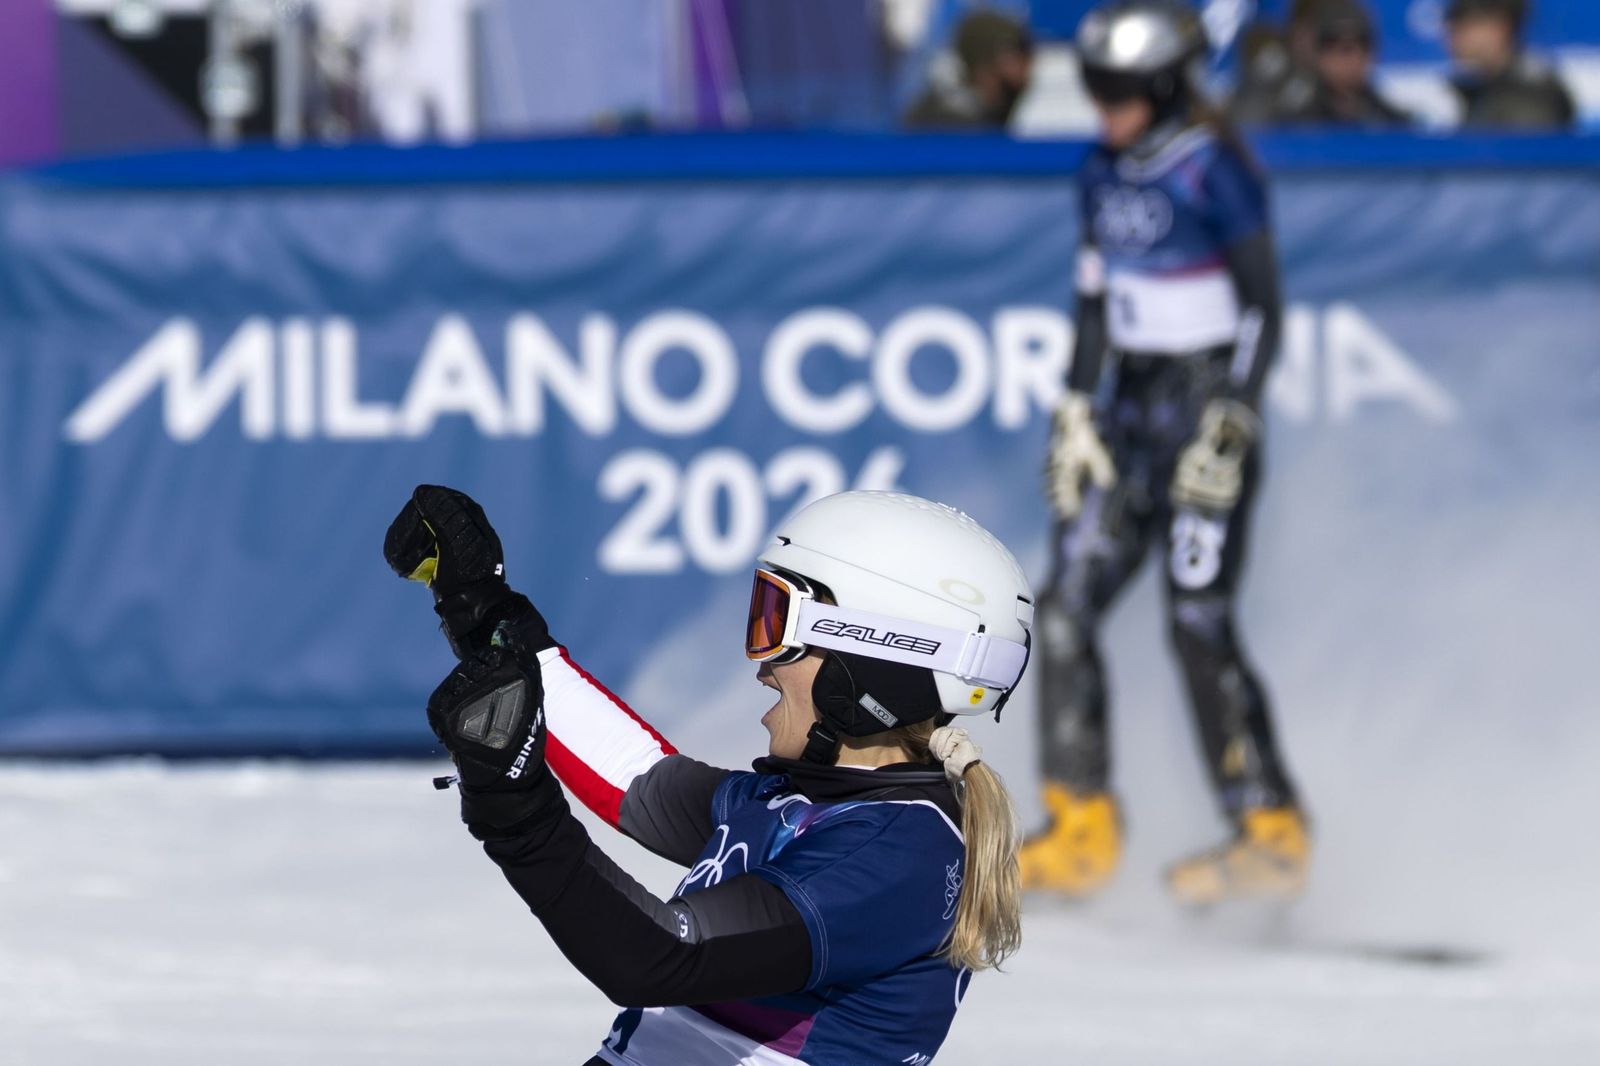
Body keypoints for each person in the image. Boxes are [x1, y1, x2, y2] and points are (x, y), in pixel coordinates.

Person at [383, 485, 1030, 1065]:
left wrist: (520, 818)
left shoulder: (895, 857)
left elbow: (662, 957)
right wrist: (485, 613)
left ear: (873, 664)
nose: (762, 665)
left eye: (777, 623)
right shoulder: (814, 801)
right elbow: (637, 779)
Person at [1019, 0, 1309, 907]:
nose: (1102, 102)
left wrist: (1233, 416)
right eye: (1093, 84)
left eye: (1119, 87)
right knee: (1064, 605)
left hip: (1202, 410)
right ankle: (1080, 822)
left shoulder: (1212, 170)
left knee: (1196, 617)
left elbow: (1263, 304)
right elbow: (1095, 303)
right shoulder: (1099, 171)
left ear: (1165, 82)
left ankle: (1269, 829)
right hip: (1128, 417)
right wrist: (1075, 401)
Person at [1264, 0, 1411, 127]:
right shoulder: (1291, 123)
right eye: (1338, 47)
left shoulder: (1394, 124)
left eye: (1362, 44)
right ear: (1318, 53)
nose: (1352, 58)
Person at [1445, 0, 1574, 130]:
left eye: (1463, 26)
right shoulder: (1474, 89)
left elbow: (1522, 147)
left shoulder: (1532, 98)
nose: (1451, 37)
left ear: (1500, 27)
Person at [902, 9, 1034, 129]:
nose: (1024, 67)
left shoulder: (1010, 111)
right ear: (984, 68)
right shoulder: (940, 122)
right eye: (1014, 57)